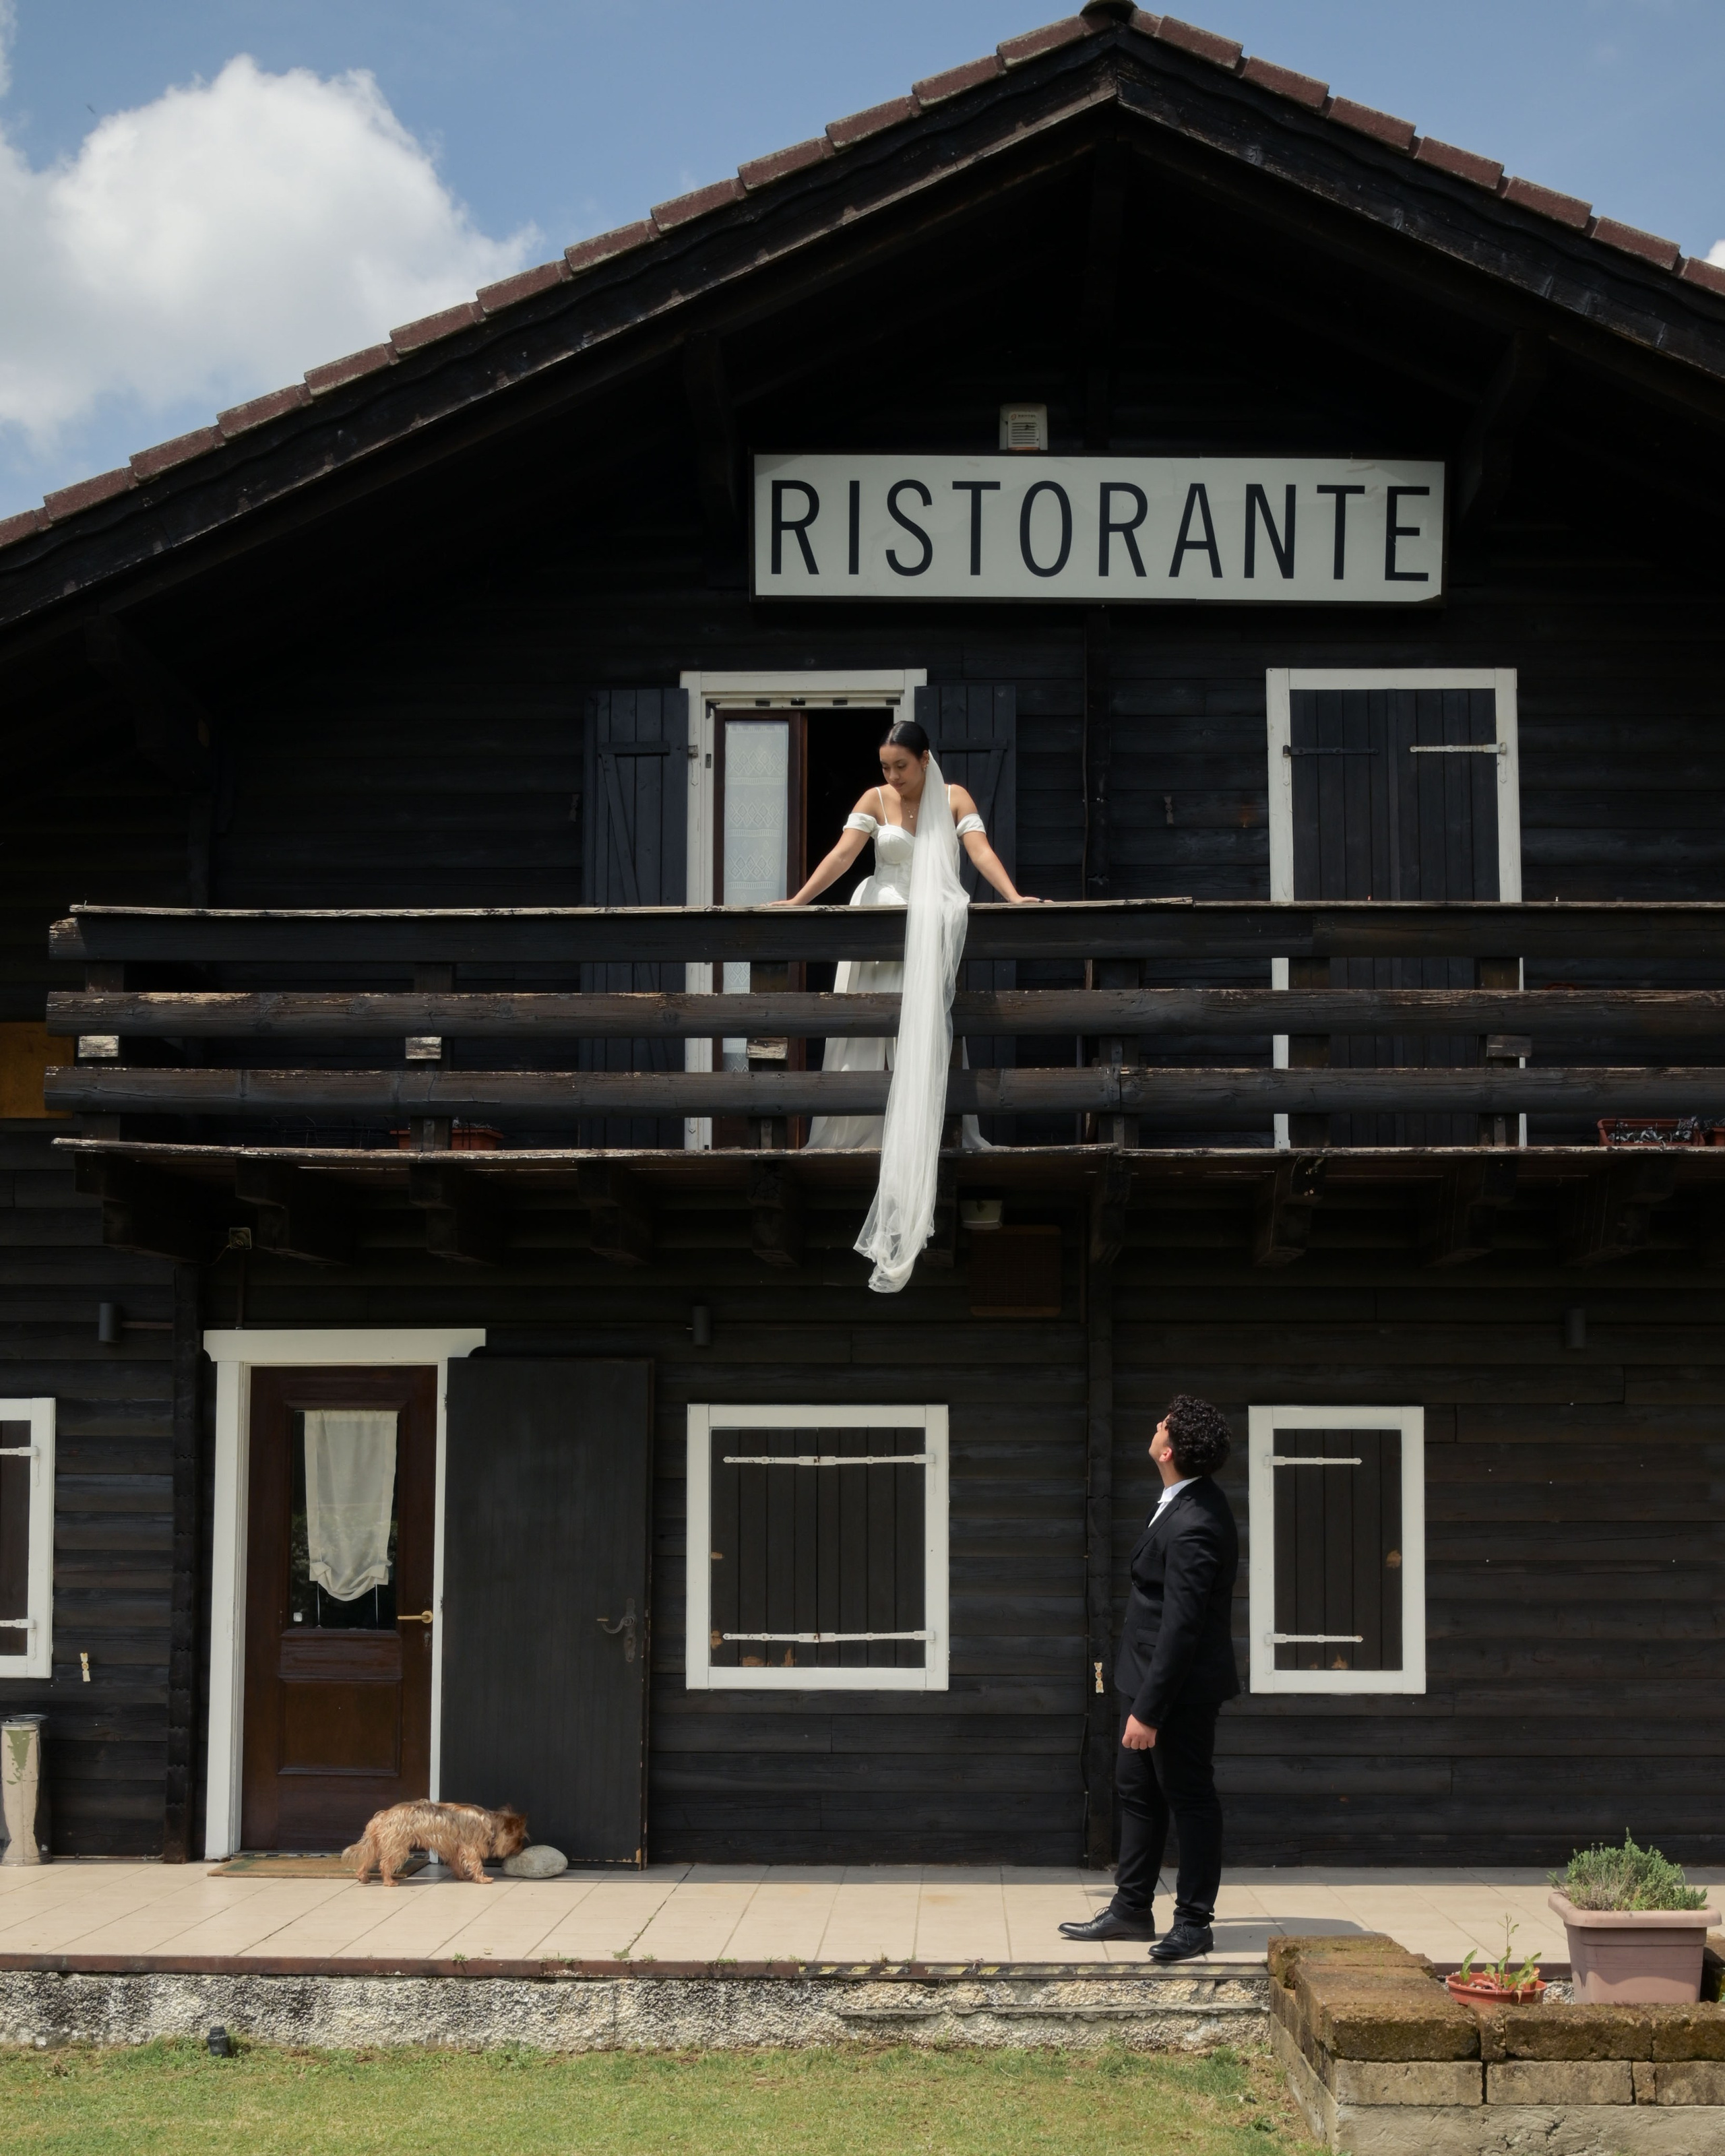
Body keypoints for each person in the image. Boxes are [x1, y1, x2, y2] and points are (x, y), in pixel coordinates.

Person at [776, 718, 1037, 1152]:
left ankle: (920, 1133)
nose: (893, 777)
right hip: (881, 917)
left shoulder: (954, 798)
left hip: (930, 917)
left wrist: (1013, 897)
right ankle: (862, 1129)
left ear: (924, 759)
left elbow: (979, 851)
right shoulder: (874, 799)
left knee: (923, 1020)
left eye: (901, 766)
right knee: (871, 1018)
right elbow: (843, 855)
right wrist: (798, 901)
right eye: (885, 767)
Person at [1060, 1394, 1240, 1963]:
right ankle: (1133, 1908)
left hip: (1175, 1692)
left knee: (1189, 1798)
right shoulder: (1176, 1502)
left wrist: (1150, 1711)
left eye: (1163, 1422)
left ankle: (1194, 1922)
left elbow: (1183, 1629)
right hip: (1145, 1682)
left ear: (1169, 1448)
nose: (1156, 1423)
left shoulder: (1196, 1523)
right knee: (1137, 1791)